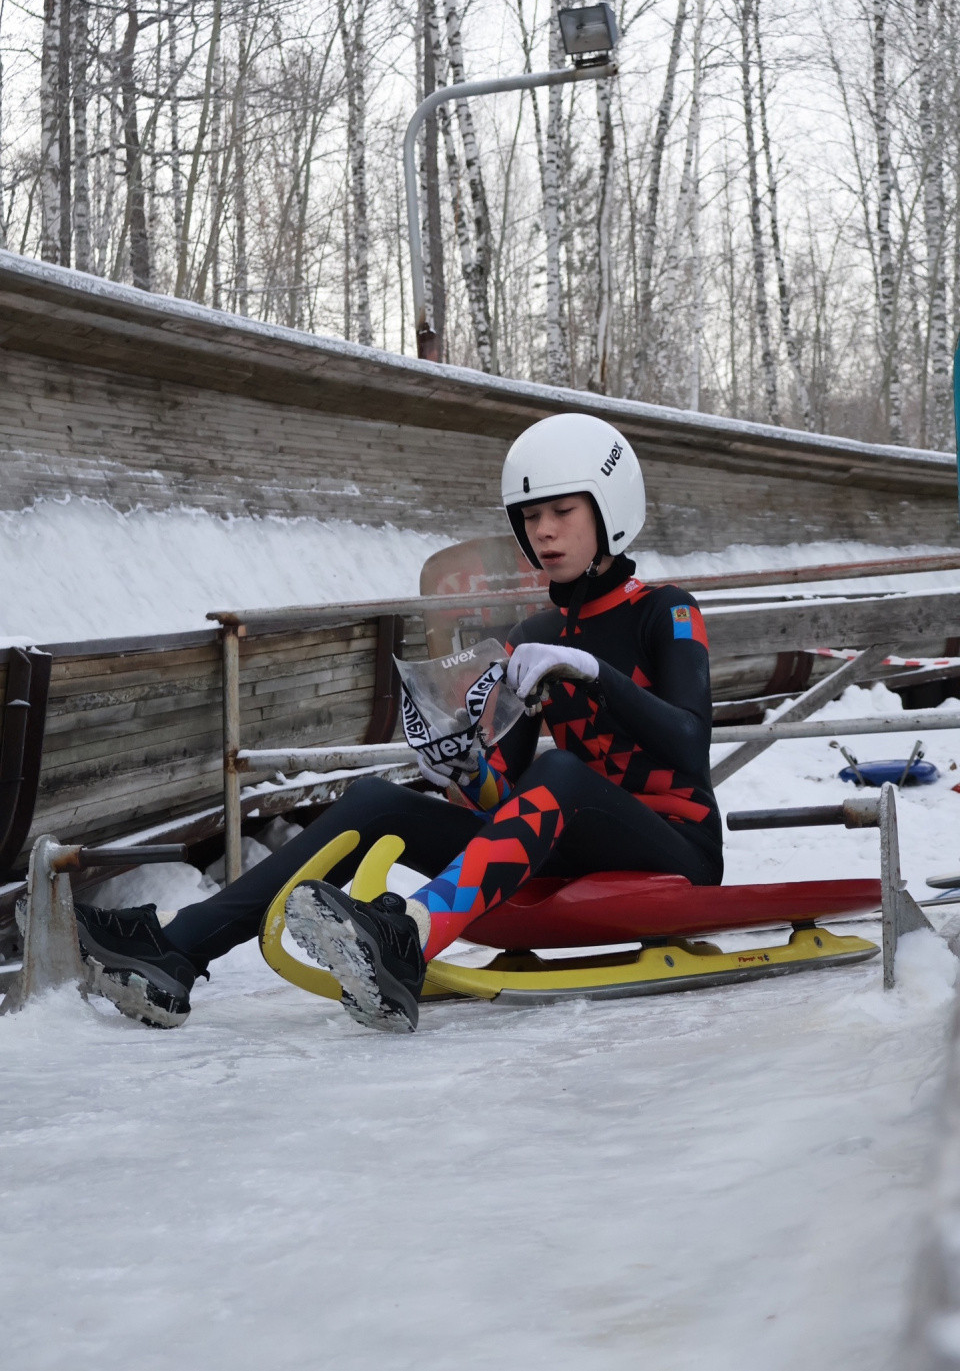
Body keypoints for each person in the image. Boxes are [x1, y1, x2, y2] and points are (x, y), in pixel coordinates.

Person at [74, 413, 722, 1034]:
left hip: (673, 843)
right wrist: (467, 771)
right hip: (567, 842)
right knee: (378, 800)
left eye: (562, 511)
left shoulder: (665, 612)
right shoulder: (536, 634)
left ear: (611, 510)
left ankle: (408, 941)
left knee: (562, 768)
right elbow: (511, 791)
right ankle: (179, 947)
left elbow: (690, 745)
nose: (544, 531)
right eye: (531, 516)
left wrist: (591, 672)